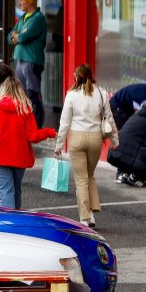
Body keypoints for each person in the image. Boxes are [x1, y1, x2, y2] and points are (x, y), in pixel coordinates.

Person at [0, 75, 56, 209]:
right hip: (19, 158)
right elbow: (33, 136)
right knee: (14, 192)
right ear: (20, 90)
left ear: (2, 90)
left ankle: (8, 225)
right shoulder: (25, 109)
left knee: (4, 193)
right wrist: (49, 132)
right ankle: (7, 220)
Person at [54, 64, 118, 227]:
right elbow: (109, 118)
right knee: (89, 176)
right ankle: (92, 213)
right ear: (91, 76)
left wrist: (59, 144)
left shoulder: (71, 95)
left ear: (76, 77)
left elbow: (64, 122)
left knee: (81, 179)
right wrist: (115, 140)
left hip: (77, 138)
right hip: (95, 139)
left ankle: (85, 217)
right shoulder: (101, 93)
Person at [10, 0, 47, 127]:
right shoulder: (23, 18)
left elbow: (24, 36)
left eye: (22, 0)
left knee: (33, 93)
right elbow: (10, 36)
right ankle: (24, 123)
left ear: (30, 2)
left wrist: (18, 36)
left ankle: (37, 124)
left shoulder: (38, 18)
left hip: (32, 60)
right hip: (20, 59)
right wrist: (17, 36)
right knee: (21, 93)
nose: (19, 3)